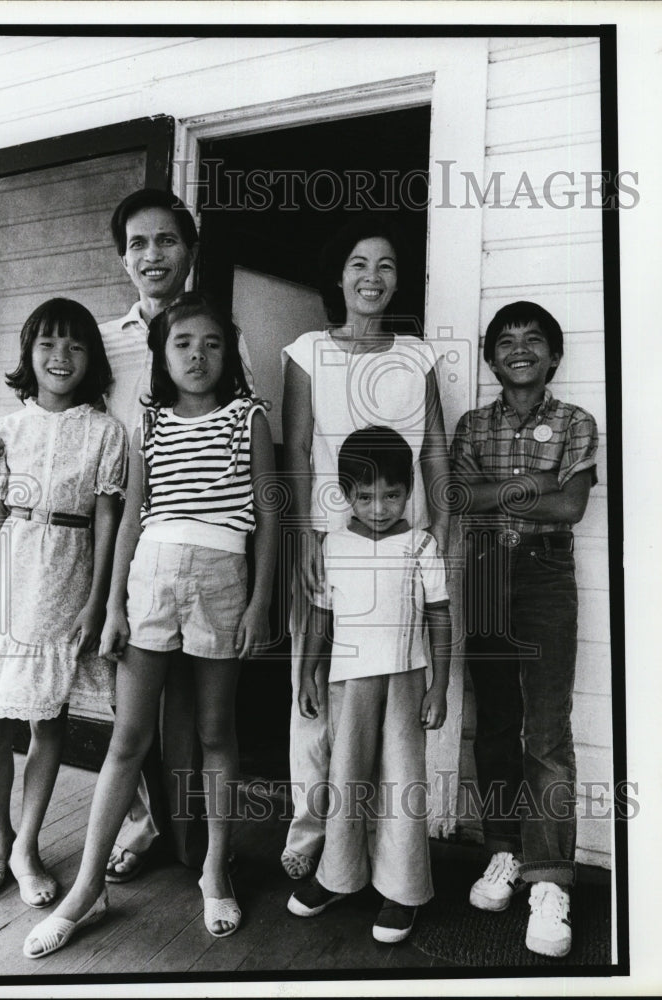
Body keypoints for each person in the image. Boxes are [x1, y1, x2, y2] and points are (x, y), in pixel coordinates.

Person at [0, 189, 215, 881]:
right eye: (138, 243)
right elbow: (13, 476)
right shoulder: (109, 337)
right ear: (123, 257)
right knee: (102, 691)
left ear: (188, 250)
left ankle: (182, 835)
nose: (152, 254)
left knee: (177, 694)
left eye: (166, 240)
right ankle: (126, 821)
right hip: (70, 552)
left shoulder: (212, 333)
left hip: (173, 530)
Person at [23, 292, 278, 957]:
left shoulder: (248, 417)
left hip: (224, 583)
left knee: (217, 732)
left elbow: (272, 518)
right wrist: (111, 607)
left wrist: (259, 605)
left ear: (229, 353)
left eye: (213, 343)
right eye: (184, 343)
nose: (198, 354)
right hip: (150, 586)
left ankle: (215, 867)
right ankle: (86, 888)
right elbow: (132, 518)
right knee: (128, 740)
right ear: (163, 355)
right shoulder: (151, 423)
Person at [280, 214, 450, 880]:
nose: (372, 277)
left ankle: (384, 853)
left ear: (398, 278)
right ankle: (309, 838)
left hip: (403, 541)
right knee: (318, 691)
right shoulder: (305, 351)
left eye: (385, 265)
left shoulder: (419, 354)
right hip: (332, 541)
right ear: (339, 275)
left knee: (393, 705)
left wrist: (443, 528)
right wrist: (301, 537)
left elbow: (434, 447)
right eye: (358, 263)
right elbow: (295, 447)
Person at [0, 298, 127, 908]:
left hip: (68, 576)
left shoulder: (107, 433)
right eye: (48, 345)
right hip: (13, 574)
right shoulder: (3, 431)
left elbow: (108, 520)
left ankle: (28, 846)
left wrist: (95, 601)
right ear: (29, 355)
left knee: (47, 719)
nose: (62, 357)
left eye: (76, 346)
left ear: (93, 359)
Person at [450, 300, 598, 959]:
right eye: (505, 341)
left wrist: (503, 489)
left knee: (545, 728)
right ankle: (503, 853)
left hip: (544, 572)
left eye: (533, 340)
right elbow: (456, 497)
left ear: (554, 355)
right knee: (497, 718)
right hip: (483, 571)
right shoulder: (471, 424)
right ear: (489, 358)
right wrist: (535, 480)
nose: (519, 349)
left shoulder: (575, 421)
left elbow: (570, 505)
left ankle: (549, 880)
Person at [287, 426, 451, 944]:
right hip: (349, 684)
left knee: (402, 782)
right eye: (365, 496)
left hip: (405, 681)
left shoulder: (421, 545)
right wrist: (307, 671)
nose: (379, 507)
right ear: (345, 494)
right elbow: (320, 614)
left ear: (409, 491)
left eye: (392, 494)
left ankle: (402, 891)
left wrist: (440, 685)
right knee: (346, 778)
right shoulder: (332, 546)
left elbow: (441, 616)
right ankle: (338, 876)